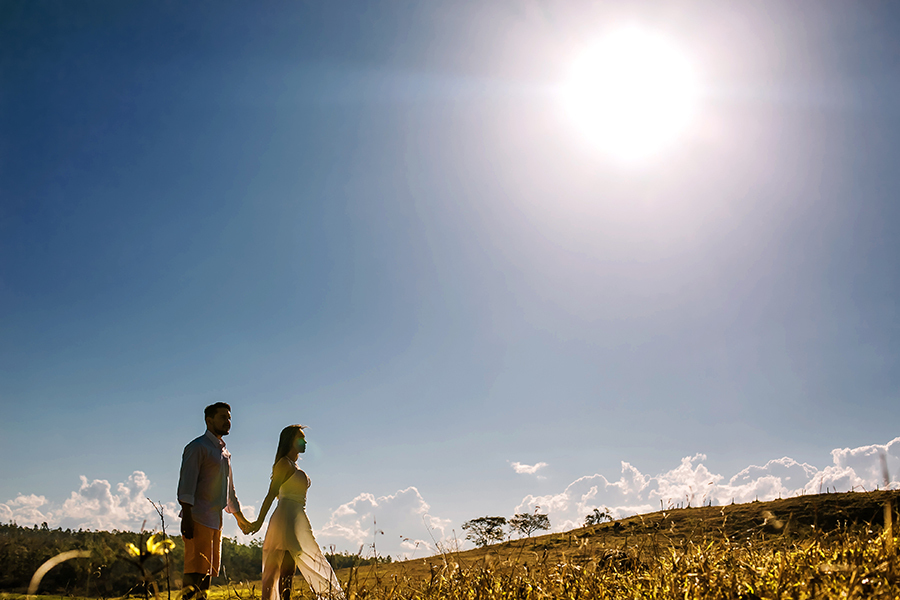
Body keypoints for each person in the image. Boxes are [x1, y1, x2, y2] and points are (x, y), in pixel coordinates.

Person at [249, 425, 344, 600]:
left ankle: (330, 595)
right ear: (290, 442)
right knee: (287, 567)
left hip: (298, 518)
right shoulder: (284, 464)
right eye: (300, 438)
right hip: (285, 518)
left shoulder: (294, 465)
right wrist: (259, 521)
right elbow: (271, 494)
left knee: (308, 560)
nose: (305, 442)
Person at [177, 402, 252, 598]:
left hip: (215, 520)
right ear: (209, 420)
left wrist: (240, 518)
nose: (228, 422)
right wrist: (187, 517)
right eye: (223, 417)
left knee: (208, 570)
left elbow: (229, 491)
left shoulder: (225, 454)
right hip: (197, 517)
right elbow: (187, 485)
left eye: (229, 418)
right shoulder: (197, 447)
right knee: (195, 570)